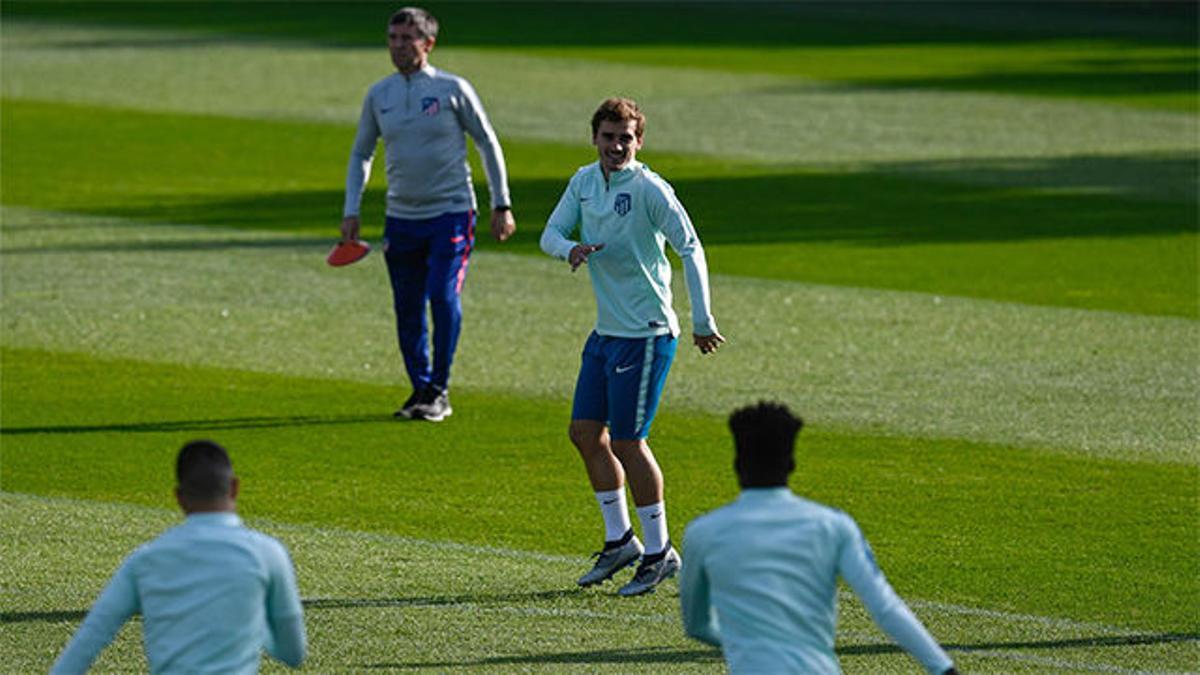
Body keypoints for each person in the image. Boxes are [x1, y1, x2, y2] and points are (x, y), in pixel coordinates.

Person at [541, 97, 725, 596]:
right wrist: (570, 249)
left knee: (628, 441)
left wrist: (702, 320)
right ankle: (620, 540)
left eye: (626, 137)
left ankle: (659, 550)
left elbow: (690, 247)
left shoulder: (649, 189)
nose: (617, 146)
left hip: (646, 333)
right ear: (595, 138)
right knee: (584, 432)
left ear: (639, 141)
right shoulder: (583, 182)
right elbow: (550, 233)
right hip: (606, 333)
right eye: (608, 136)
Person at [679, 402, 958, 674]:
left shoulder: (703, 533)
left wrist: (749, 645)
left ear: (737, 463)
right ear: (791, 464)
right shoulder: (832, 526)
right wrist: (943, 668)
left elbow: (696, 625)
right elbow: (885, 607)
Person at [341, 6, 516, 422]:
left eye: (407, 38)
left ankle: (439, 387)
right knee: (407, 306)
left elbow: (487, 142)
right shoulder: (378, 94)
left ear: (428, 43)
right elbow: (362, 152)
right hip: (401, 217)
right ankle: (420, 388)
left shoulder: (452, 88)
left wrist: (501, 204)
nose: (398, 46)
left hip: (451, 212)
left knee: (442, 294)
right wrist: (352, 210)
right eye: (393, 38)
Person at [52, 440, 306, 674]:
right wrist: (257, 624)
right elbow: (293, 654)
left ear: (179, 497)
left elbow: (88, 641)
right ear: (234, 488)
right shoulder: (269, 554)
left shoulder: (145, 561)